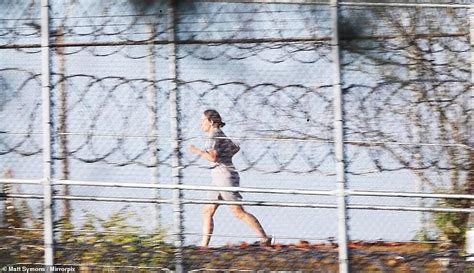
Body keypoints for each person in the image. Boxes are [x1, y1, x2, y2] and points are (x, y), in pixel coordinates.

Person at [188, 109, 272, 247]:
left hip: (224, 179)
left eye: (202, 121)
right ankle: (203, 247)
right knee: (207, 210)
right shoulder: (220, 134)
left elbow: (213, 157)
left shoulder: (213, 135)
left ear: (211, 121)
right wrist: (226, 156)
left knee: (238, 212)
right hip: (219, 178)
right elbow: (234, 148)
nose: (200, 124)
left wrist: (197, 151)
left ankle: (264, 238)